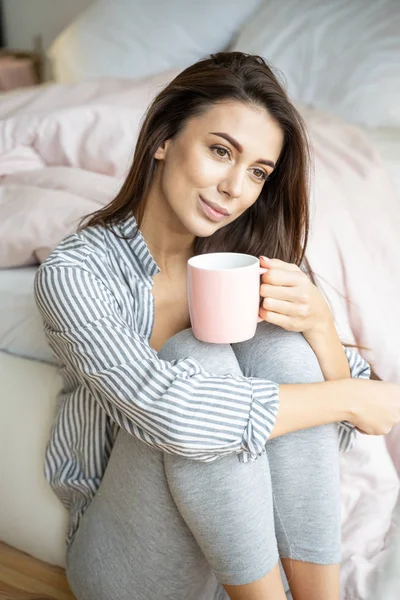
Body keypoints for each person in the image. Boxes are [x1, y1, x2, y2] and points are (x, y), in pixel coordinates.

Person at [34, 52, 400, 600]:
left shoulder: (251, 263)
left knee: (279, 343)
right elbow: (177, 416)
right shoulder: (77, 273)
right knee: (195, 357)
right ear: (164, 139)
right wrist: (348, 395)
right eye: (220, 151)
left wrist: (322, 327)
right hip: (130, 560)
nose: (234, 187)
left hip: (240, 557)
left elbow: (345, 429)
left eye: (257, 172)